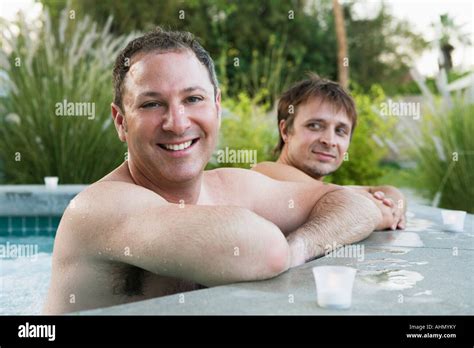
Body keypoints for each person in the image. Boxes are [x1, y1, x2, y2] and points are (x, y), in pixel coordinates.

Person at [43, 29, 395, 314]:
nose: (177, 123)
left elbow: (353, 204)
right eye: (152, 104)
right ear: (121, 122)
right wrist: (287, 246)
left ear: (217, 107)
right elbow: (267, 250)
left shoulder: (231, 185)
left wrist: (302, 245)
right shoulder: (100, 208)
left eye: (193, 99)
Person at [253, 74, 406, 230]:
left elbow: (385, 191)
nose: (330, 140)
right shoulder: (265, 173)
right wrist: (381, 208)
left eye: (340, 131)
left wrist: (394, 205)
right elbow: (370, 210)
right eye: (315, 126)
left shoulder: (323, 191)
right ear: (285, 131)